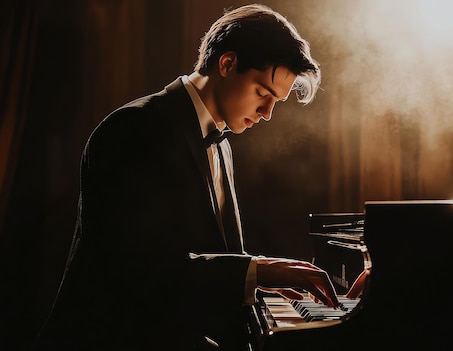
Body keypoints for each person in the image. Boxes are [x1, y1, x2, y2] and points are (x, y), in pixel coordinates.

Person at [33, 4, 345, 350]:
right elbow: (135, 270)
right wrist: (256, 271)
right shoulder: (134, 128)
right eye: (262, 93)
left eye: (276, 101)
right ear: (227, 64)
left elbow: (197, 260)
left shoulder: (221, 142)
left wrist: (253, 280)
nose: (268, 113)